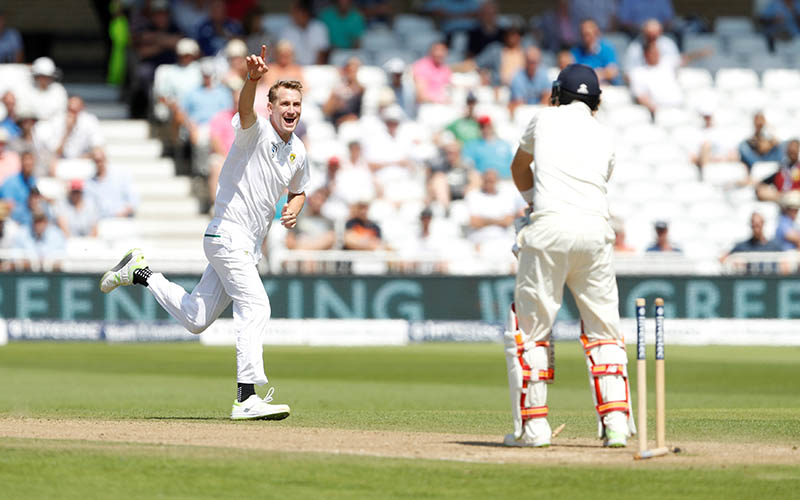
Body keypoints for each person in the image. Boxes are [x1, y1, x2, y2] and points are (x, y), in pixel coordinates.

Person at [99, 46, 308, 422]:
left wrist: (295, 204)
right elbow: (245, 109)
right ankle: (246, 397)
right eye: (285, 104)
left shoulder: (298, 151)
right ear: (271, 108)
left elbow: (299, 187)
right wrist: (252, 80)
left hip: (243, 246)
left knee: (197, 318)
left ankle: (140, 272)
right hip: (228, 236)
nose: (291, 110)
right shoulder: (254, 132)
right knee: (257, 306)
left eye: (296, 104)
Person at [505, 64, 635, 448]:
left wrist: (532, 203)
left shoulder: (543, 118)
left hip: (548, 230)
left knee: (532, 330)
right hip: (595, 232)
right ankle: (615, 424)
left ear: (556, 93)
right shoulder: (605, 135)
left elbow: (518, 166)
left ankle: (534, 430)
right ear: (596, 101)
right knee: (603, 328)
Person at [628, 41, 683, 117]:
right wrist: (657, 112)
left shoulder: (667, 64)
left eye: (657, 52)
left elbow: (684, 58)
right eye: (653, 52)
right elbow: (641, 96)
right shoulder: (638, 73)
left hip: (680, 108)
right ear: (645, 54)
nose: (656, 54)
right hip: (660, 112)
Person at [465, 168, 515, 248]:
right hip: (479, 239)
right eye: (486, 181)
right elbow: (474, 222)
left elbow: (508, 221)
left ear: (496, 181)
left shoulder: (506, 196)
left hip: (503, 239)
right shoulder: (473, 195)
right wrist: (498, 221)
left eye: (491, 181)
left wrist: (484, 221)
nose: (488, 184)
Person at [84, 148, 139, 219]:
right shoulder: (89, 183)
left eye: (100, 160)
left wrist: (121, 214)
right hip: (100, 222)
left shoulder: (121, 176)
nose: (98, 164)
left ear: (105, 159)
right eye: (95, 161)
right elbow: (88, 207)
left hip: (122, 220)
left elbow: (134, 201)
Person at [571, 19, 622, 85]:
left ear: (597, 32)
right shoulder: (577, 50)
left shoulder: (607, 48)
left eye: (588, 34)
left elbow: (612, 72)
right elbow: (572, 71)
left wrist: (595, 74)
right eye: (583, 34)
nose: (586, 38)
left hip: (605, 86)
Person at [280, 0, 330, 66]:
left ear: (305, 13)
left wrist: (315, 70)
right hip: (294, 69)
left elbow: (322, 53)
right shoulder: (287, 30)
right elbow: (284, 54)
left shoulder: (319, 27)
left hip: (315, 68)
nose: (293, 15)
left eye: (296, 12)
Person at [509, 46, 552, 110]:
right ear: (525, 61)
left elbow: (548, 97)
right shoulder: (517, 77)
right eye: (530, 62)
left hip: (539, 111)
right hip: (523, 112)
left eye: (534, 62)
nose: (532, 65)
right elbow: (518, 102)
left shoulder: (544, 74)